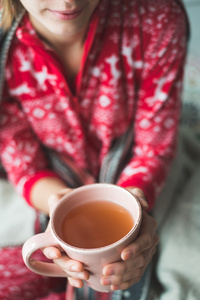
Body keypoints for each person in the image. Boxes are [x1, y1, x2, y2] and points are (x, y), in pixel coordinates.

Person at [0, 0, 189, 299]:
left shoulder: (156, 17)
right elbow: (26, 166)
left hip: (139, 183)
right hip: (51, 189)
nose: (68, 2)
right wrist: (57, 204)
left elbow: (153, 149)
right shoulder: (3, 49)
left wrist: (132, 208)